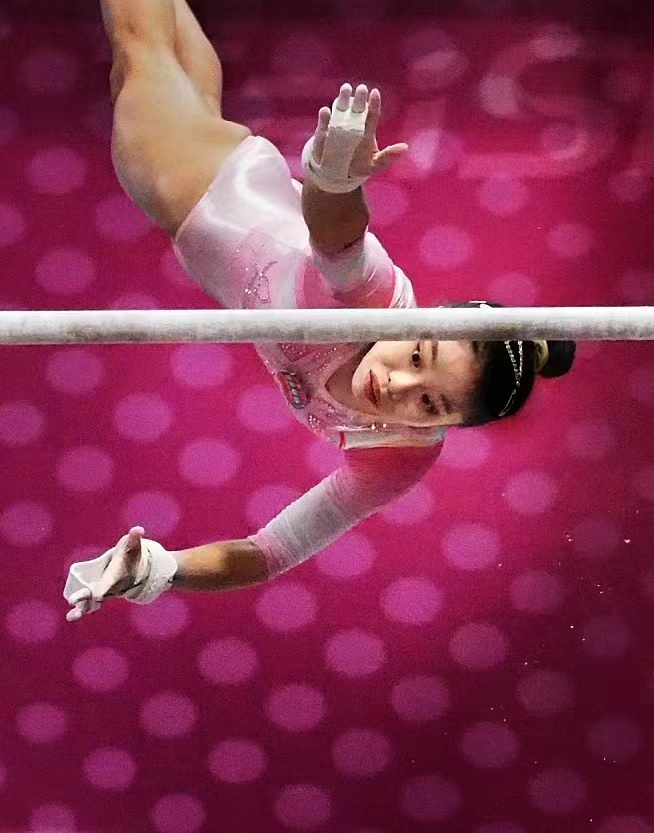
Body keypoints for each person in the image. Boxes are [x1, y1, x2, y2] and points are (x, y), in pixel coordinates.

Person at [64, 0, 576, 621]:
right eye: (418, 356)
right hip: (192, 185)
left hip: (224, 178)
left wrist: (161, 570)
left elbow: (271, 551)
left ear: (447, 427)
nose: (398, 384)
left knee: (148, 68)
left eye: (430, 404)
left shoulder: (399, 453)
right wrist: (335, 181)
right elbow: (338, 236)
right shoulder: (375, 299)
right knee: (139, 50)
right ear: (424, 319)